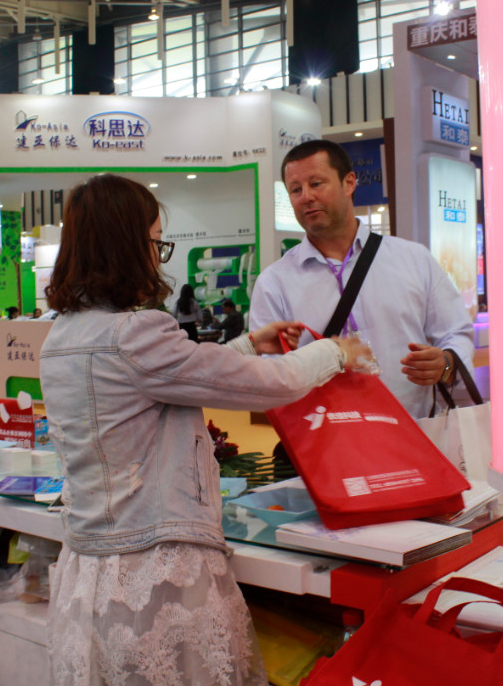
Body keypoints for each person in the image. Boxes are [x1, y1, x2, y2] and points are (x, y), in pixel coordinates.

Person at [39, 173, 371, 686]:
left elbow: (175, 375)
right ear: (127, 246)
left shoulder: (61, 335)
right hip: (156, 573)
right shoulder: (135, 333)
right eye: (156, 242)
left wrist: (247, 344)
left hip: (90, 568)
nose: (158, 257)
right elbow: (270, 384)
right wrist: (335, 352)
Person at [249, 139, 474, 420]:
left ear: (349, 183)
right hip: (326, 438)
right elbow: (269, 377)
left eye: (316, 183)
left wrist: (446, 364)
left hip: (416, 432)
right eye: (296, 189)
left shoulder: (413, 259)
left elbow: (456, 332)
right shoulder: (274, 283)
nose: (306, 196)